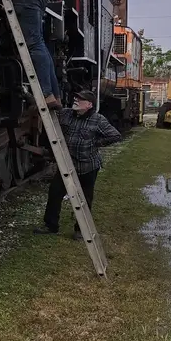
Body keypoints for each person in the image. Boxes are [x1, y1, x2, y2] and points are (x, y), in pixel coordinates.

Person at [34, 89, 121, 237]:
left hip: (88, 166)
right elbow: (45, 111)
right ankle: (50, 226)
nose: (76, 100)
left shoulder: (98, 120)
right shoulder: (66, 114)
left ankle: (80, 230)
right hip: (67, 164)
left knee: (85, 198)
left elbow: (115, 135)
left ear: (89, 105)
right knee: (55, 192)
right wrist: (31, 97)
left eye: (80, 99)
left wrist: (96, 143)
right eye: (76, 98)